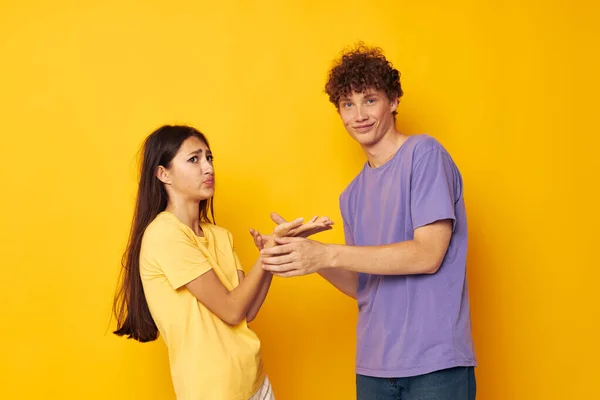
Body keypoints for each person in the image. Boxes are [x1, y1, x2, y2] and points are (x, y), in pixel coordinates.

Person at [257, 44, 477, 399]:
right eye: (347, 104)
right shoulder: (353, 194)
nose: (358, 114)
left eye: (369, 100)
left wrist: (327, 253)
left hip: (435, 364)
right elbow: (362, 285)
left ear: (393, 101)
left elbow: (427, 254)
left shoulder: (424, 155)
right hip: (374, 368)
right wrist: (306, 255)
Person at [112, 125, 333, 400]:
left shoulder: (220, 236)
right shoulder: (164, 234)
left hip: (256, 382)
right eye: (194, 159)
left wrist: (274, 251)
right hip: (212, 392)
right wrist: (266, 257)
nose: (208, 168)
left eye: (209, 158)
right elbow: (231, 310)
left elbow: (246, 311)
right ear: (163, 173)